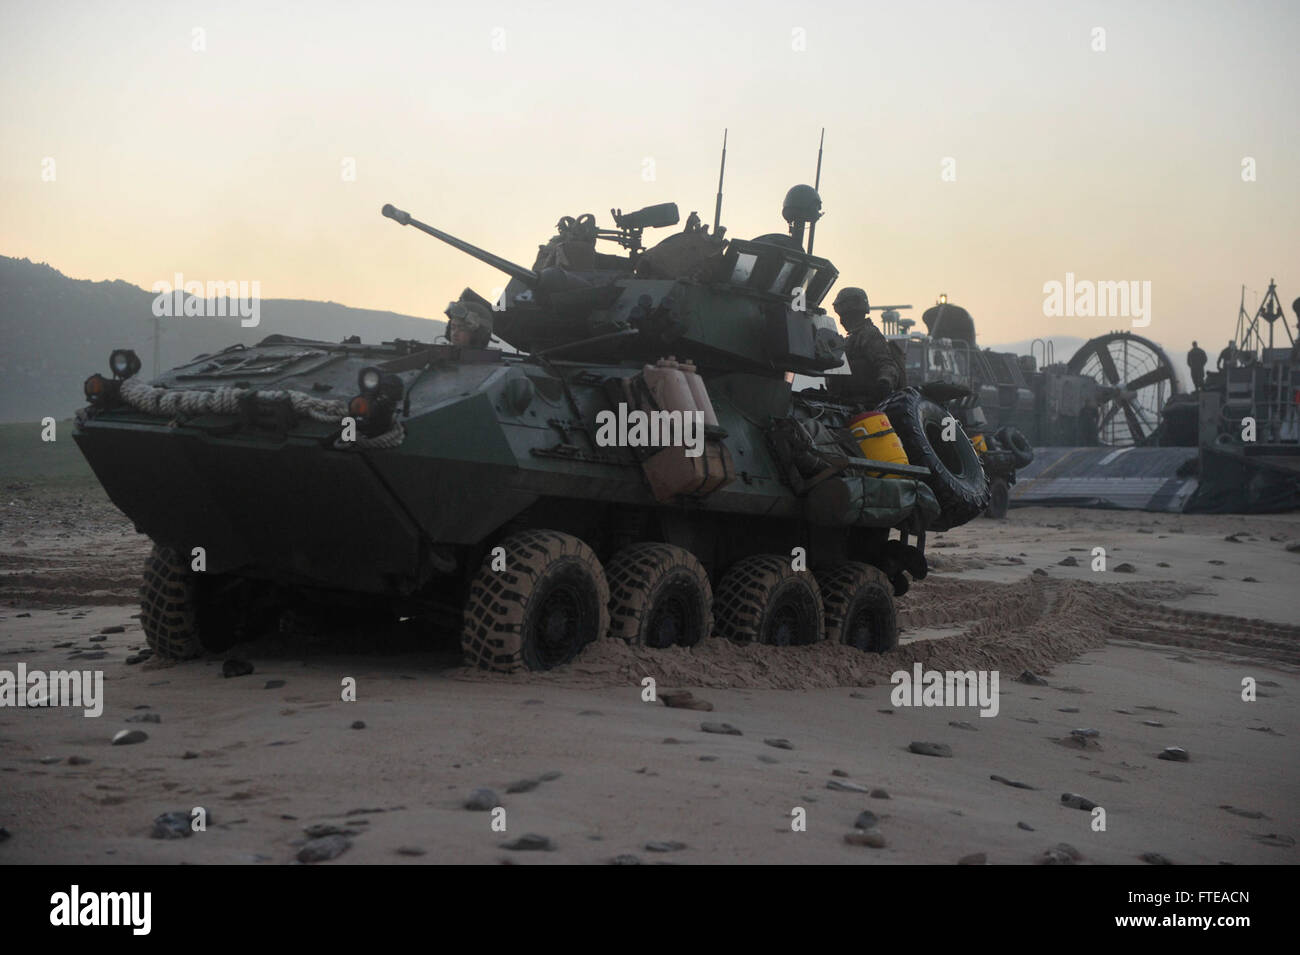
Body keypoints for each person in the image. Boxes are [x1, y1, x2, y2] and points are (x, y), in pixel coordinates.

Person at [824, 286, 906, 406]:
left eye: (843, 315)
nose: (841, 321)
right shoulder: (851, 339)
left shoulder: (869, 335)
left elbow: (887, 365)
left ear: (851, 314)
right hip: (846, 403)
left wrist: (884, 384)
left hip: (866, 404)